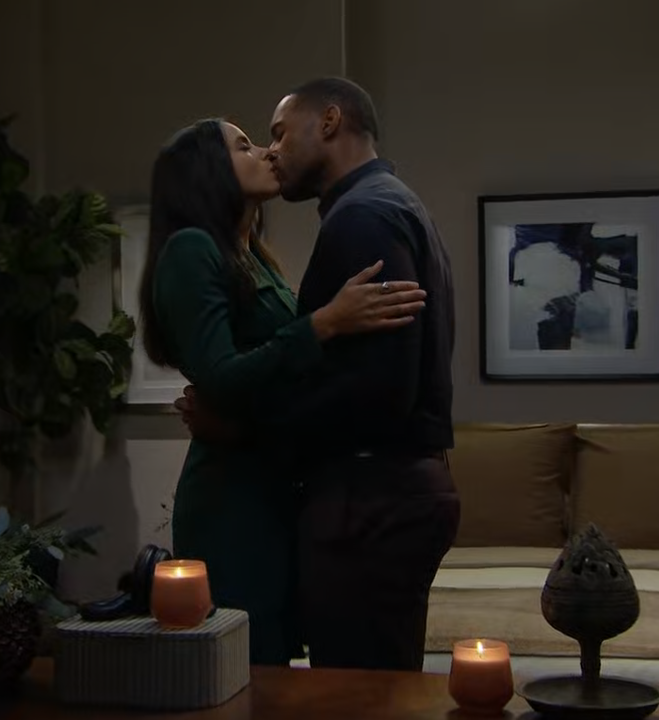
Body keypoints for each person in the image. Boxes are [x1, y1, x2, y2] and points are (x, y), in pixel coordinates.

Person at [178, 77, 460, 671]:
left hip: (368, 495)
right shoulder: (390, 203)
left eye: (280, 133)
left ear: (329, 122)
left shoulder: (362, 216)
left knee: (356, 694)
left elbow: (380, 392)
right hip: (389, 489)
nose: (273, 150)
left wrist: (248, 431)